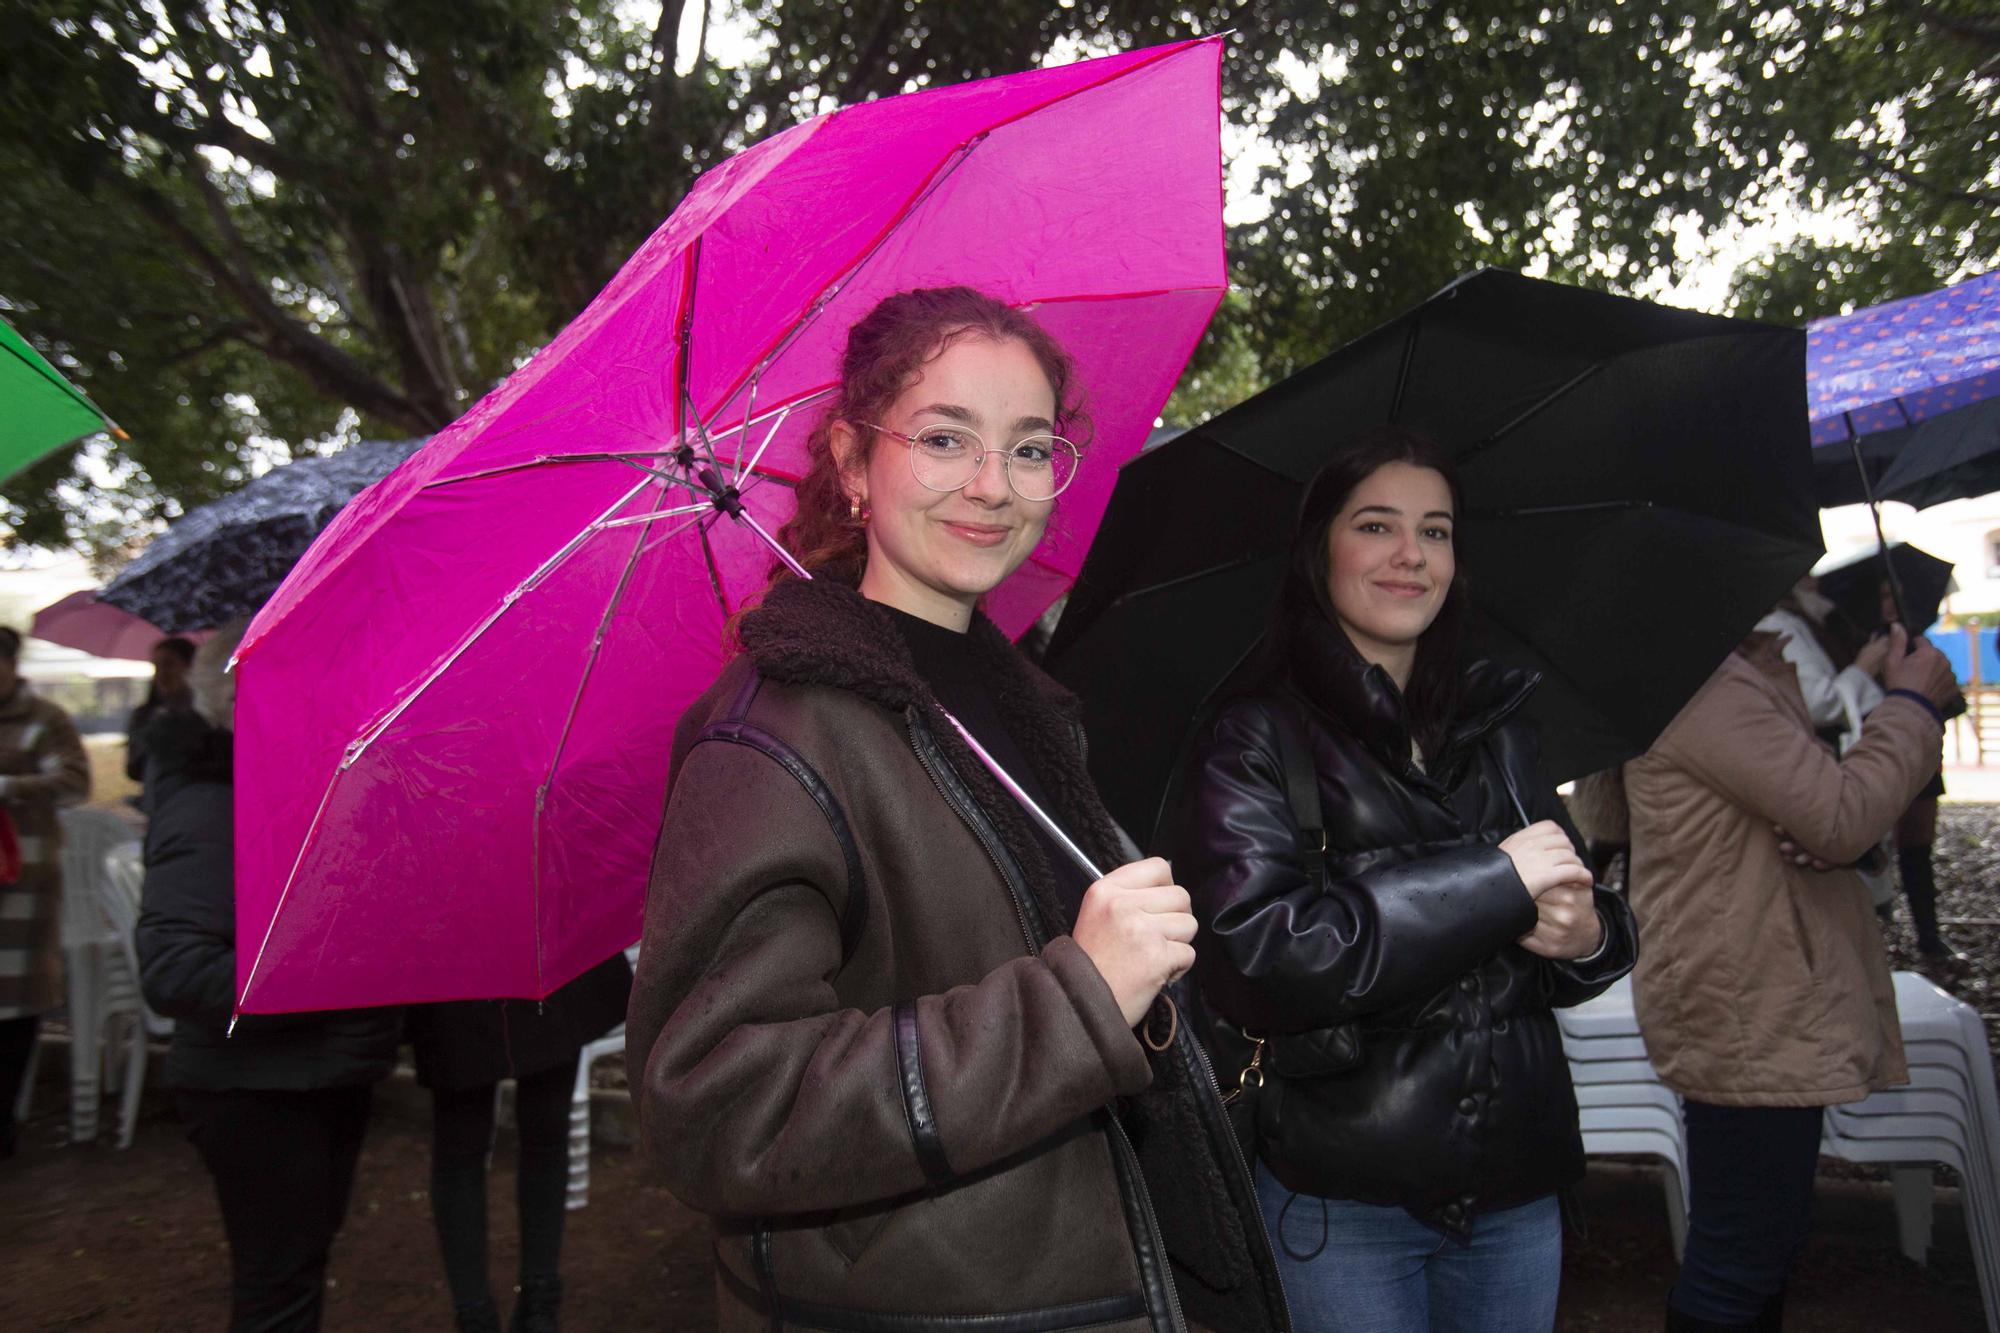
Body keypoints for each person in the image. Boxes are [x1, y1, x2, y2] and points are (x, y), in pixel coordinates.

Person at [624, 287, 1290, 1332]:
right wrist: (1076, 996)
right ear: (850, 462)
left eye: (1029, 450)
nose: (992, 486)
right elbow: (714, 1103)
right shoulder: (773, 732)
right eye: (944, 438)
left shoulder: (1021, 705)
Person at [1173, 428, 1639, 1332]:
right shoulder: (1256, 736)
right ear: (1321, 551)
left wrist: (1589, 937)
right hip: (1345, 1204)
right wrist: (1492, 884)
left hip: (1517, 1193)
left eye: (1436, 531)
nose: (1410, 556)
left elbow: (1580, 906)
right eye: (1376, 525)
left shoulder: (1497, 723)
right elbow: (1260, 958)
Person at [1623, 614, 1957, 1331]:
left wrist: (1826, 833)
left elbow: (1814, 817)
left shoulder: (1703, 670)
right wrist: (1913, 704)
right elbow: (1840, 812)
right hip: (1749, 995)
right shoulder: (1705, 682)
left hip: (1746, 984)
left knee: (1757, 1245)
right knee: (1739, 1257)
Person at [136, 624, 401, 1332]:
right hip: (253, 1089)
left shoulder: (308, 794)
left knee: (298, 1267)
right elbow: (174, 968)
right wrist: (327, 978)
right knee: (275, 1286)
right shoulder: (208, 806)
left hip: (326, 1075)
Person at [407, 951, 631, 1333]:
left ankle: (540, 1305)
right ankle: (475, 1314)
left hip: (546, 956)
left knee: (544, 1131)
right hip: (455, 968)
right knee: (462, 1145)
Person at [0, 625, 91, 1158]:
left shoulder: (44, 720)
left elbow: (74, 782)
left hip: (24, 885)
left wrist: (10, 786)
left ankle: (6, 1122)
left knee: (15, 1007)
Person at [125, 635, 200, 799]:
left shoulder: (209, 715)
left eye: (169, 664)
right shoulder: (145, 715)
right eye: (156, 666)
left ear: (191, 667)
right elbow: (134, 769)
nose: (162, 674)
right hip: (160, 801)